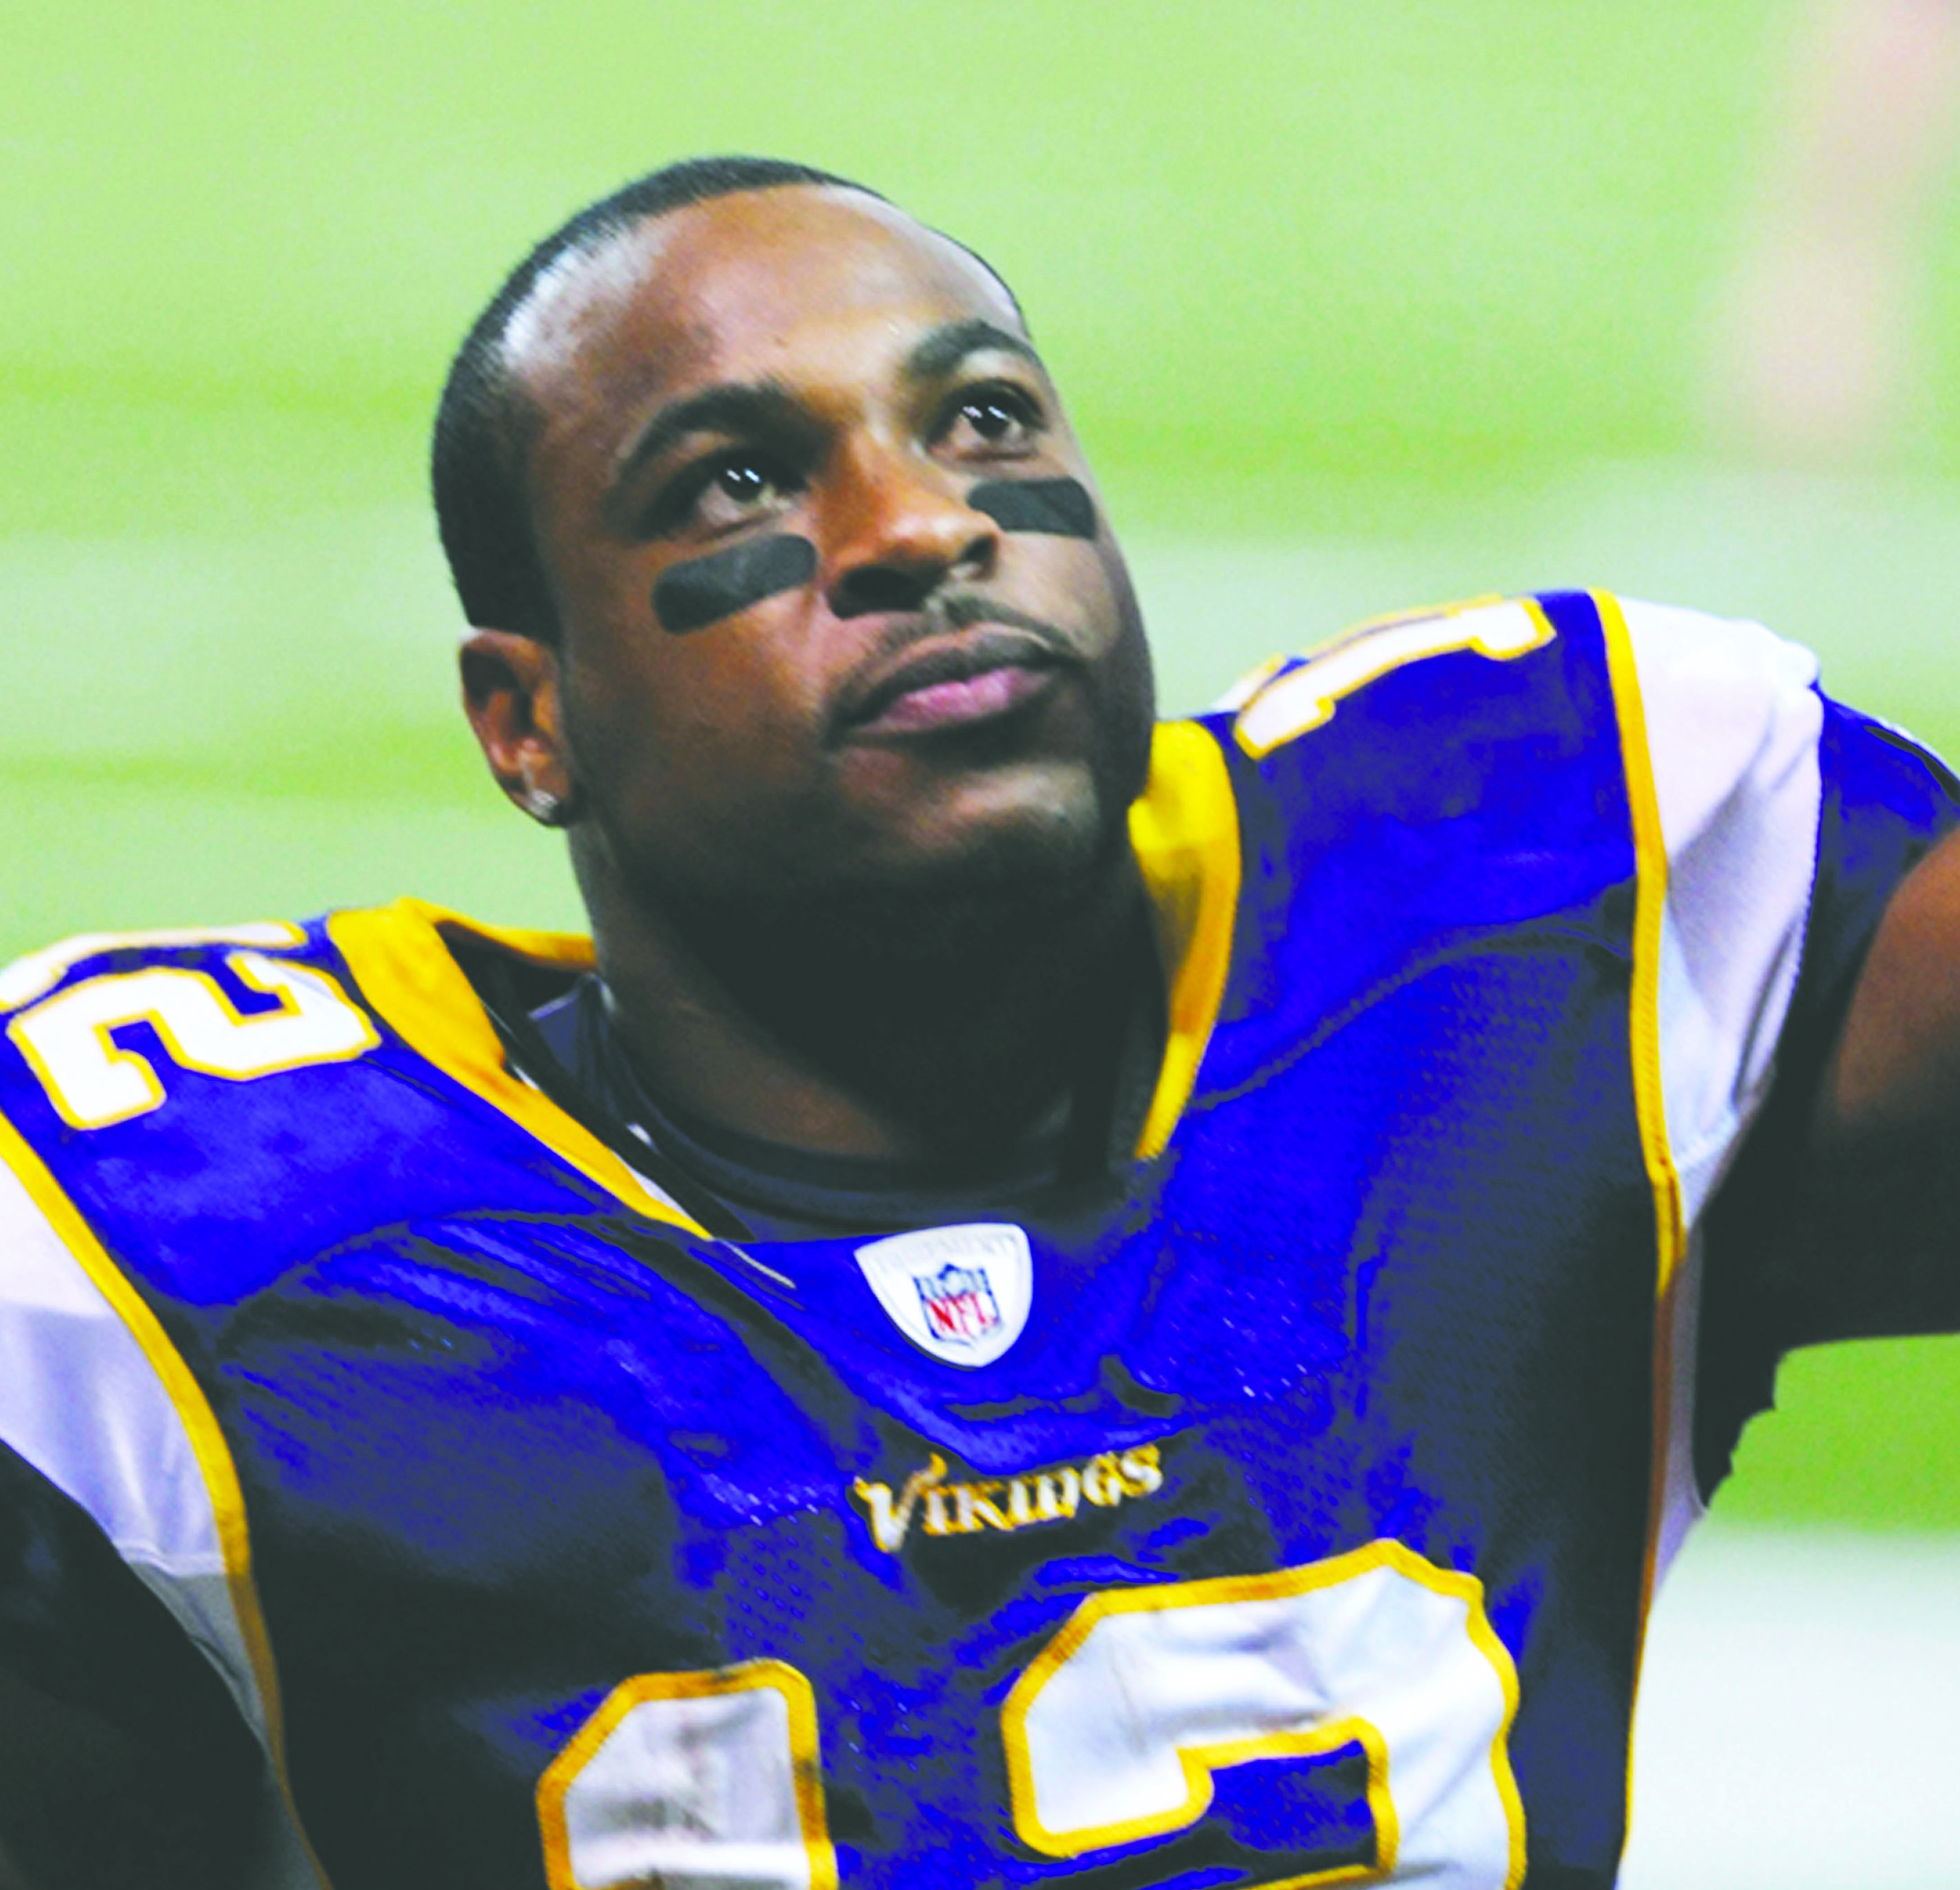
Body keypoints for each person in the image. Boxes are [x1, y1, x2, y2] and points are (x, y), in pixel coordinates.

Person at [0, 155, 1955, 1890]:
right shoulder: (203, 1226)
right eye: (739, 478)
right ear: (529, 718)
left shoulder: (1517, 907)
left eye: (985, 420)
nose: (925, 526)